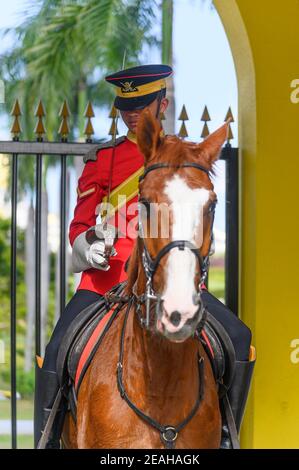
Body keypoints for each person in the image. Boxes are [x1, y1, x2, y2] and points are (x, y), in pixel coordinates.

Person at [34, 64, 254, 449]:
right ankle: (48, 440)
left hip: (173, 281)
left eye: (142, 106)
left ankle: (223, 436)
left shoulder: (185, 155)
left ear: (163, 103)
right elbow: (79, 223)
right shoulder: (103, 158)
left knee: (238, 337)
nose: (132, 115)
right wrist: (87, 243)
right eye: (125, 108)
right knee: (55, 350)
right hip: (105, 283)